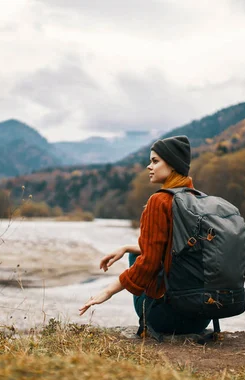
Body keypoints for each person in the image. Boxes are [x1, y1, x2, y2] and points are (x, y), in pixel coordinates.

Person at [79, 135, 211, 335]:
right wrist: (125, 248)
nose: (149, 167)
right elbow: (174, 250)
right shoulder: (198, 199)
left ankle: (148, 319)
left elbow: (149, 263)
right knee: (135, 252)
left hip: (169, 319)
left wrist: (107, 291)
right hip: (203, 315)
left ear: (173, 165)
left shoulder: (159, 201)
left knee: (138, 258)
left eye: (155, 161)